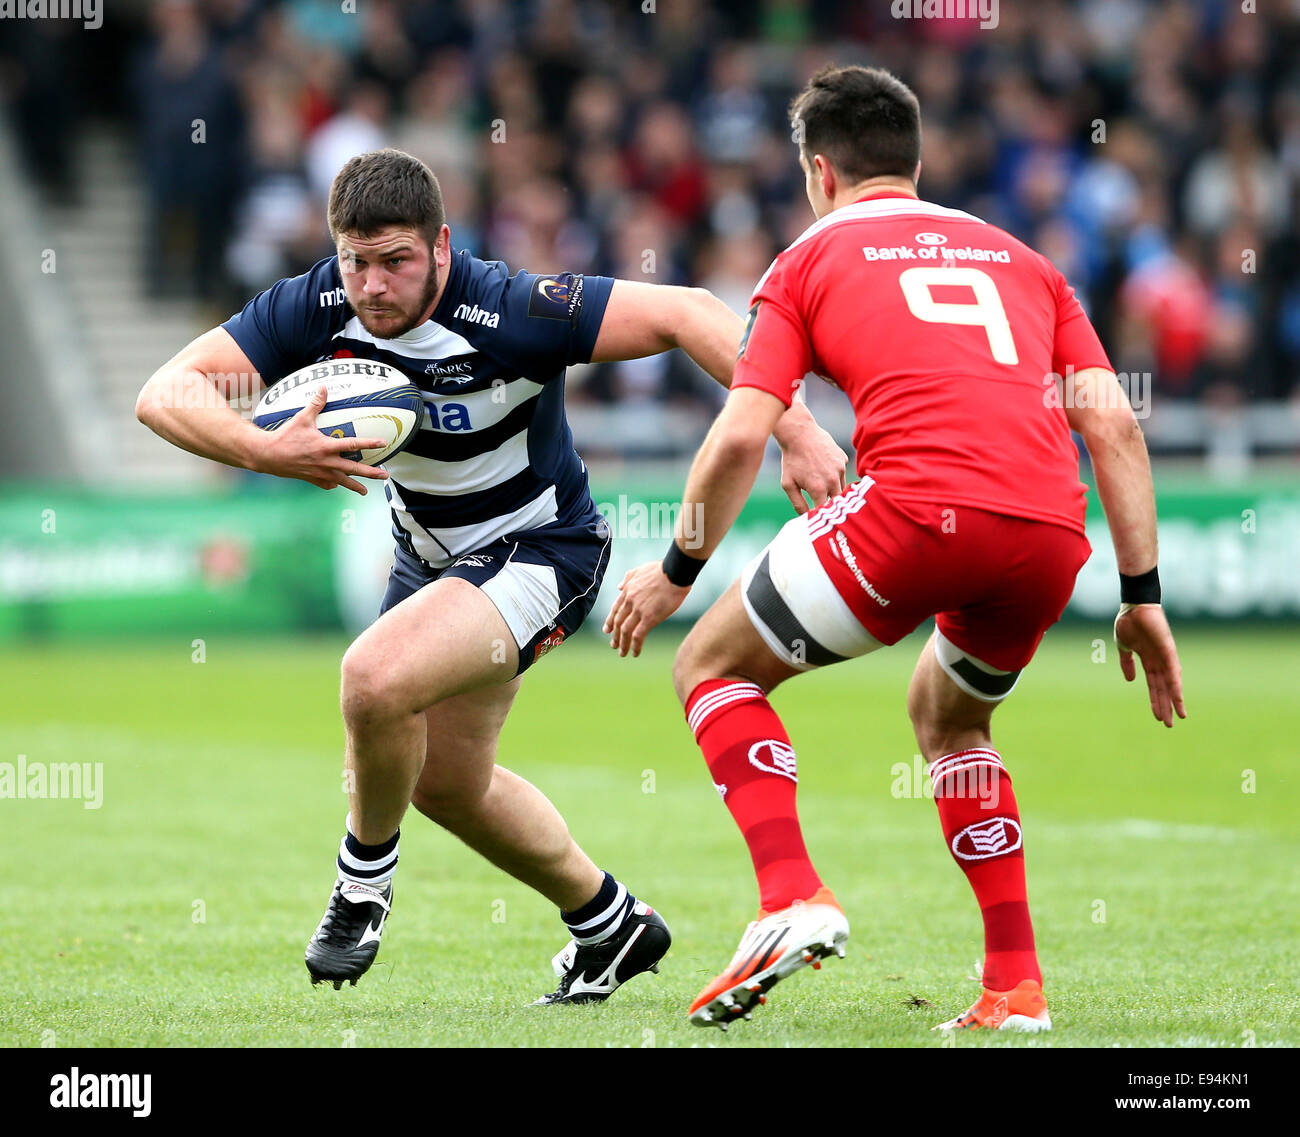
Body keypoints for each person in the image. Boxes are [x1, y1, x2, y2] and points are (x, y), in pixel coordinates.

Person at [135, 148, 847, 1004]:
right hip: (432, 557)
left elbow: (692, 313)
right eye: (355, 261)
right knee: (445, 783)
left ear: (441, 245)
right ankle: (610, 924)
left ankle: (362, 881)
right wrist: (263, 447)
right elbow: (164, 391)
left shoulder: (510, 308)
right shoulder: (318, 301)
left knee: (371, 677)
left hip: (543, 548)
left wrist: (796, 426)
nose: (371, 285)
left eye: (395, 260)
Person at [605, 65, 1186, 1031]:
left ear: (818, 172)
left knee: (711, 665)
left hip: (915, 515)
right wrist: (1143, 594)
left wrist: (676, 573)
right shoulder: (1025, 259)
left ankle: (791, 896)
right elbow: (1115, 427)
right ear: (914, 163)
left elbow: (744, 432)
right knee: (950, 720)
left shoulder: (804, 260)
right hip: (1048, 532)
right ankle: (1014, 986)